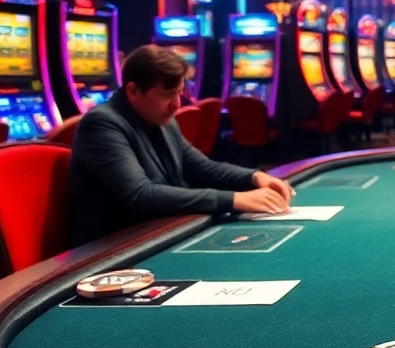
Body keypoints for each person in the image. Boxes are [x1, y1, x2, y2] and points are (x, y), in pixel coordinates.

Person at [68, 45, 294, 247]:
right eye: (166, 95)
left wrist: (254, 177)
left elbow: (202, 168)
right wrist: (233, 199)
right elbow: (141, 195)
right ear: (133, 91)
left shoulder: (161, 120)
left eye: (178, 93)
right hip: (113, 250)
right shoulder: (102, 123)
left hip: (160, 232)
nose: (176, 105)